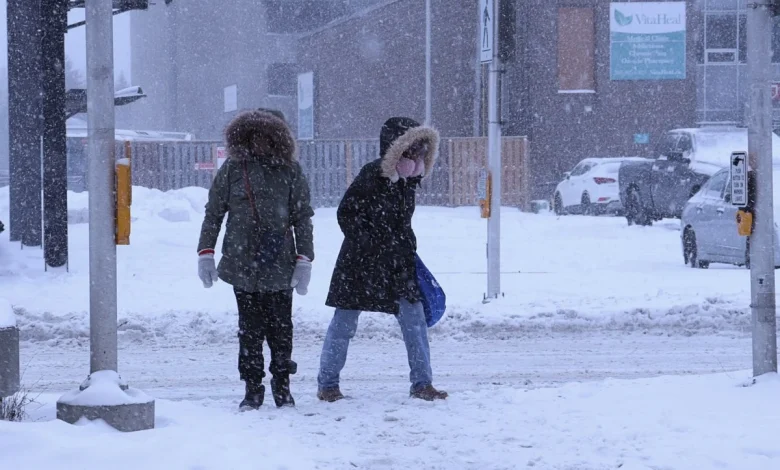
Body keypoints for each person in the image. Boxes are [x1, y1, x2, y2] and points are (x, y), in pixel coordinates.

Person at [316, 116, 448, 402]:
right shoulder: (371, 175)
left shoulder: (408, 183)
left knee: (415, 323)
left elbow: (401, 223)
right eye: (412, 149)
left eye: (420, 151)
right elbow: (346, 214)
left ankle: (422, 384)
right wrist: (370, 242)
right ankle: (327, 385)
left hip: (397, 264)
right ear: (396, 149)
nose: (417, 156)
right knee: (344, 324)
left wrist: (404, 245)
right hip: (359, 263)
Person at [197, 109, 314, 411]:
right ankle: (252, 387)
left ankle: (282, 384)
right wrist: (205, 253)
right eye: (254, 136)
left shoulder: (291, 171)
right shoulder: (234, 169)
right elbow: (214, 213)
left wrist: (304, 259)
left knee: (281, 328)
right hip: (241, 263)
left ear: (278, 138)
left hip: (280, 262)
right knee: (249, 329)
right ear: (245, 137)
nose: (259, 143)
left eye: (267, 136)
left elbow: (302, 217)